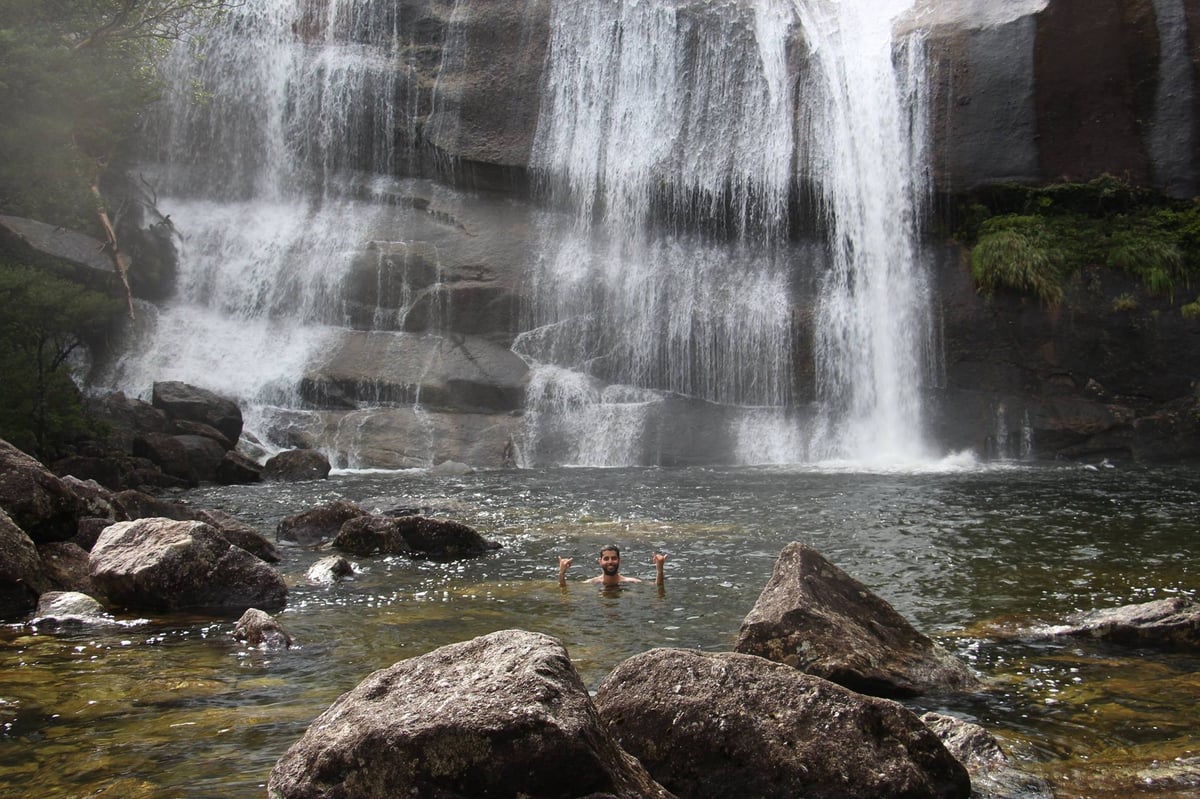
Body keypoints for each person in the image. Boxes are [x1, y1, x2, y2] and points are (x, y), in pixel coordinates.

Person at [558, 544, 666, 587]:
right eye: (606, 559)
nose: (610, 562)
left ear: (619, 561)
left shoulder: (630, 582)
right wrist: (562, 573)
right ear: (600, 561)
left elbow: (657, 587)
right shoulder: (592, 583)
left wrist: (659, 570)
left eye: (614, 558)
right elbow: (565, 589)